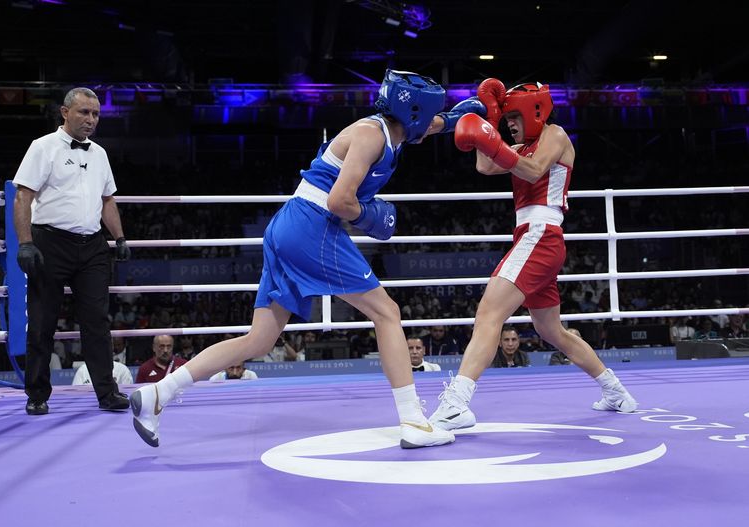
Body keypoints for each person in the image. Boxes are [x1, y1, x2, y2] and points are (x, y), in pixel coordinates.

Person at [130, 69, 488, 449]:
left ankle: (158, 394)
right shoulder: (370, 136)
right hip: (314, 225)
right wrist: (373, 216)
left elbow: (429, 124)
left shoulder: (398, 127)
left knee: (259, 340)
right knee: (387, 313)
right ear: (413, 111)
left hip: (291, 224)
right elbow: (339, 201)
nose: (432, 121)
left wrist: (457, 119)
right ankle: (414, 421)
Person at [429, 78, 637, 431]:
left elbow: (533, 169)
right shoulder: (522, 145)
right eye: (506, 117)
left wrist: (492, 138)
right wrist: (490, 121)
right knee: (552, 330)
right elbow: (485, 166)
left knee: (489, 313)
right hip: (533, 236)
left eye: (512, 116)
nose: (510, 123)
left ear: (534, 111)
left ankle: (456, 404)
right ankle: (616, 392)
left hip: (541, 235)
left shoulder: (554, 135)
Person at [13, 87, 131, 416]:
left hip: (92, 245)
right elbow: (23, 196)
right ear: (65, 113)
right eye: (84, 112)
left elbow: (107, 199)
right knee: (41, 322)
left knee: (97, 321)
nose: (91, 120)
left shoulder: (100, 154)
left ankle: (107, 393)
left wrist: (119, 237)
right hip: (50, 242)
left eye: (95, 114)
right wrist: (25, 243)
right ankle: (36, 393)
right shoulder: (43, 147)